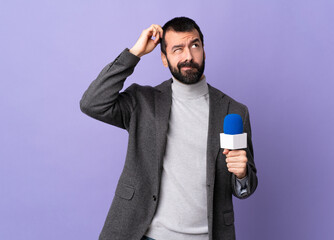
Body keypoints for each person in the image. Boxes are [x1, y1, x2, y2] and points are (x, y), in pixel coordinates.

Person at [80, 16, 258, 240]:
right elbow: (92, 103)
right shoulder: (143, 102)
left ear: (204, 50)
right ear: (164, 59)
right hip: (146, 235)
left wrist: (242, 174)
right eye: (177, 49)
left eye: (195, 46)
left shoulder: (234, 111)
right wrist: (135, 53)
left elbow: (246, 188)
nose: (188, 56)